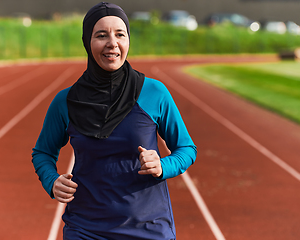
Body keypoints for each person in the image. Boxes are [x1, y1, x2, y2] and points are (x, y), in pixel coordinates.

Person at [32, 2, 197, 239]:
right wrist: (51, 181)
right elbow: (43, 152)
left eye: (120, 34)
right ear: (87, 42)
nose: (112, 43)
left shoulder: (154, 93)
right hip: (86, 228)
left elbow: (186, 149)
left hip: (148, 228)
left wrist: (163, 166)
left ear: (128, 40)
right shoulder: (65, 101)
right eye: (101, 35)